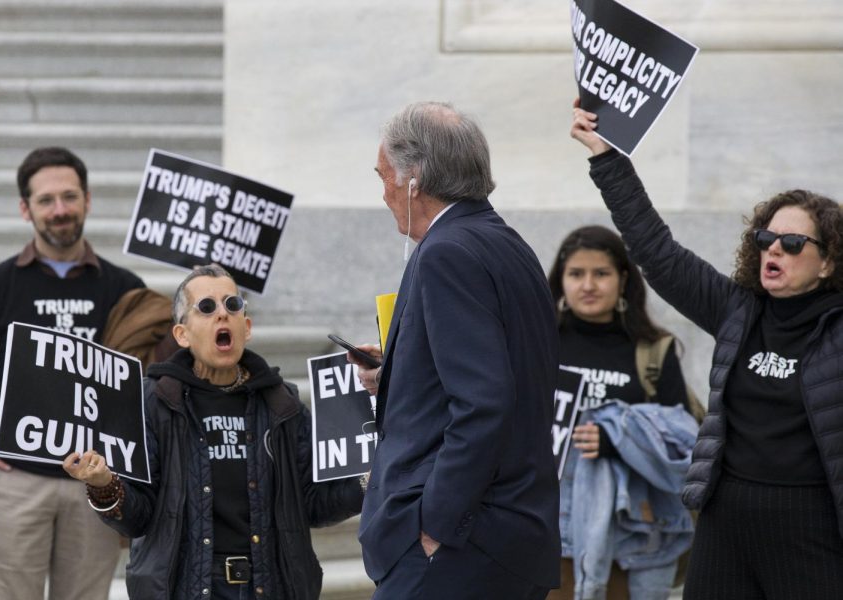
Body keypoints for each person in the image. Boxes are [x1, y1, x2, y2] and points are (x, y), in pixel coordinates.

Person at [571, 100, 843, 599]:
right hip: (725, 519)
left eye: (792, 244)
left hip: (811, 525)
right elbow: (657, 252)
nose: (774, 250)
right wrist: (607, 158)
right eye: (766, 239)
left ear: (827, 263)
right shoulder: (738, 310)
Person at [352, 101, 561, 599]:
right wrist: (399, 373)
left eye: (383, 176)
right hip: (504, 538)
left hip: (462, 545)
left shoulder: (448, 252)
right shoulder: (506, 243)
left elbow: (484, 402)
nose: (382, 192)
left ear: (414, 180)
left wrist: (435, 527)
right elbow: (495, 369)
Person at [63, 264, 364, 600]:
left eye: (232, 305)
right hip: (185, 590)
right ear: (182, 334)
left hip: (269, 588)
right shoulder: (154, 403)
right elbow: (139, 518)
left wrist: (368, 479)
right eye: (207, 307)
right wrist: (105, 485)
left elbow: (312, 504)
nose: (223, 314)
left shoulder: (282, 404)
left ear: (246, 327)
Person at [0, 147, 146, 599]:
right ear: (25, 208)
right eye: (46, 200)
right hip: (16, 481)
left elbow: (145, 385)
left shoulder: (123, 289)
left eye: (70, 197)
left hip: (93, 484)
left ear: (88, 200)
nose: (60, 210)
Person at [548, 225, 698, 600]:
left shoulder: (652, 350)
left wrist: (618, 438)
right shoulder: (540, 342)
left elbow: (681, 439)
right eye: (576, 274)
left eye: (601, 273)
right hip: (548, 530)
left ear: (623, 279)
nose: (588, 285)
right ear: (560, 280)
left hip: (631, 534)